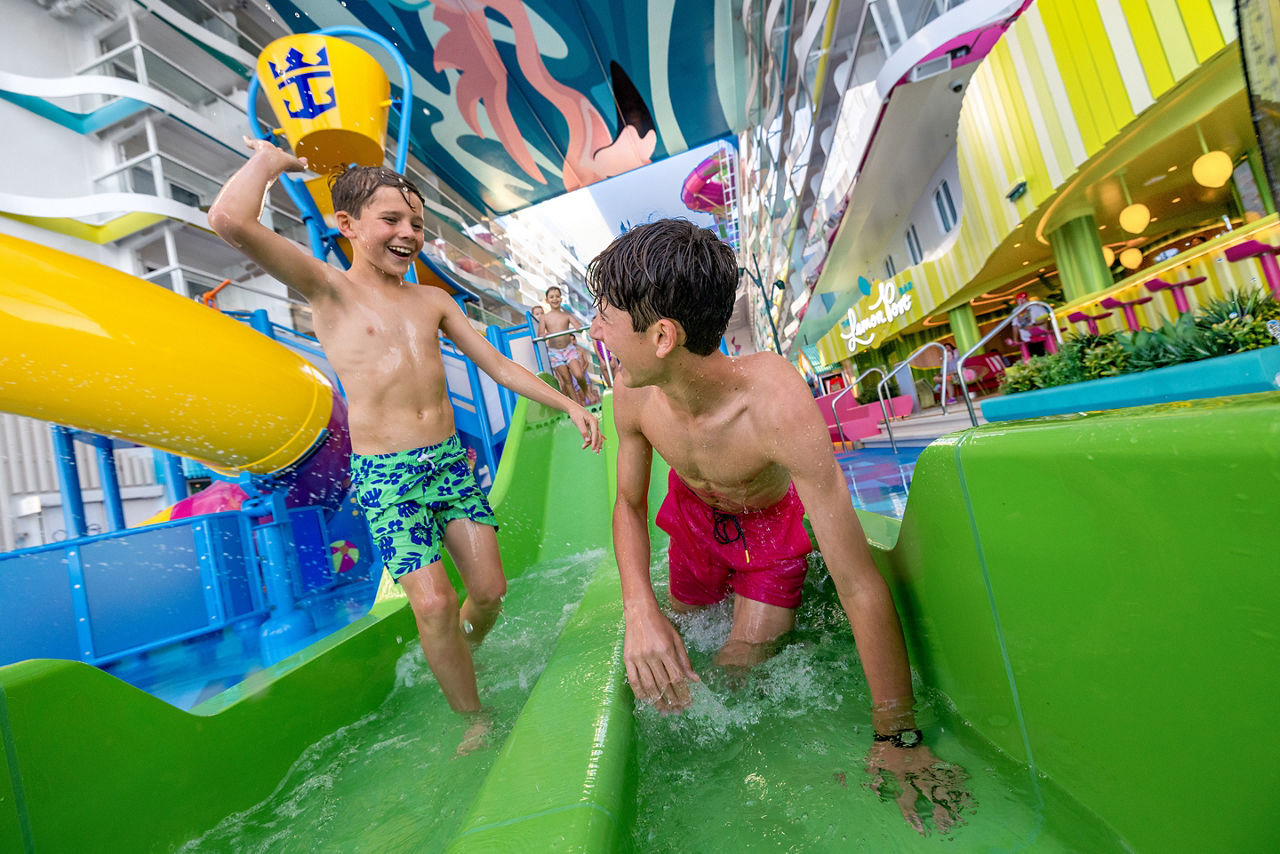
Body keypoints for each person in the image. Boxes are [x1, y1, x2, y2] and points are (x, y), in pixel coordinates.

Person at [209, 139, 602, 750]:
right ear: (347, 225)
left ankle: (448, 654)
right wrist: (265, 161)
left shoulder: (433, 301)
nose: (407, 232)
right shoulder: (328, 289)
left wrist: (570, 402)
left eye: (416, 222)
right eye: (390, 219)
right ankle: (474, 714)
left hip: (448, 464)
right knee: (434, 604)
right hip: (386, 475)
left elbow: (499, 366)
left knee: (490, 593)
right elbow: (230, 221)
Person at [587, 219, 970, 834]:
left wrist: (897, 733)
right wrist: (639, 607)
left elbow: (858, 582)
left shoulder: (774, 407)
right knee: (681, 661)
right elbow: (627, 506)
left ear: (662, 335)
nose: (595, 331)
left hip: (767, 531)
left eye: (605, 317)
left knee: (739, 673)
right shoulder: (631, 394)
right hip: (691, 523)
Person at [536, 286, 593, 406]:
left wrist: (578, 327)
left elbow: (578, 327)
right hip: (555, 352)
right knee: (567, 380)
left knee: (578, 374)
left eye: (557, 296)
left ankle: (586, 391)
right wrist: (544, 334)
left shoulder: (566, 315)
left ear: (561, 299)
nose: (555, 299)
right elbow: (540, 334)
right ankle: (576, 405)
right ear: (547, 300)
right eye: (552, 297)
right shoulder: (544, 318)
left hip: (569, 349)